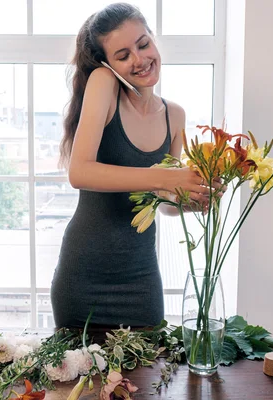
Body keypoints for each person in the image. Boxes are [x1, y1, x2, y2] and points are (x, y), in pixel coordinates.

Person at [51, 3, 215, 328]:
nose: (139, 60)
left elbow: (163, 203)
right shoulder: (104, 84)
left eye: (143, 44)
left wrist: (192, 198)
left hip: (141, 278)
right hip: (84, 277)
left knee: (147, 378)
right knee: (77, 379)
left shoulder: (175, 116)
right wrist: (165, 176)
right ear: (107, 64)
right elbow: (79, 172)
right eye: (123, 55)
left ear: (153, 39)